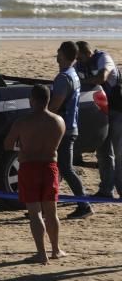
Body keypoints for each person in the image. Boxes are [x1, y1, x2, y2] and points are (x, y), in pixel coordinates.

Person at [4, 85, 67, 264]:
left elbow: (7, 144)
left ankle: (41, 253)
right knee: (51, 212)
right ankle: (55, 249)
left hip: (29, 166)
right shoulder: (58, 121)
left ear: (32, 100)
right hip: (49, 166)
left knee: (35, 213)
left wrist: (22, 146)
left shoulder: (22, 122)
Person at [50, 41, 93, 219]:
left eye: (58, 51)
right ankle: (48, 205)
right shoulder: (72, 74)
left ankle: (84, 205)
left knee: (65, 168)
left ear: (63, 54)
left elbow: (55, 105)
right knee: (59, 169)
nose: (56, 54)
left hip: (64, 129)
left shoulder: (64, 77)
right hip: (69, 126)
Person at [76, 41, 120, 198]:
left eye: (80, 58)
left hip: (116, 110)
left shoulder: (103, 58)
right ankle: (106, 190)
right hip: (100, 111)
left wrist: (81, 82)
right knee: (103, 152)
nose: (78, 62)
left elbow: (102, 77)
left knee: (119, 152)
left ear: (88, 53)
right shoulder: (79, 65)